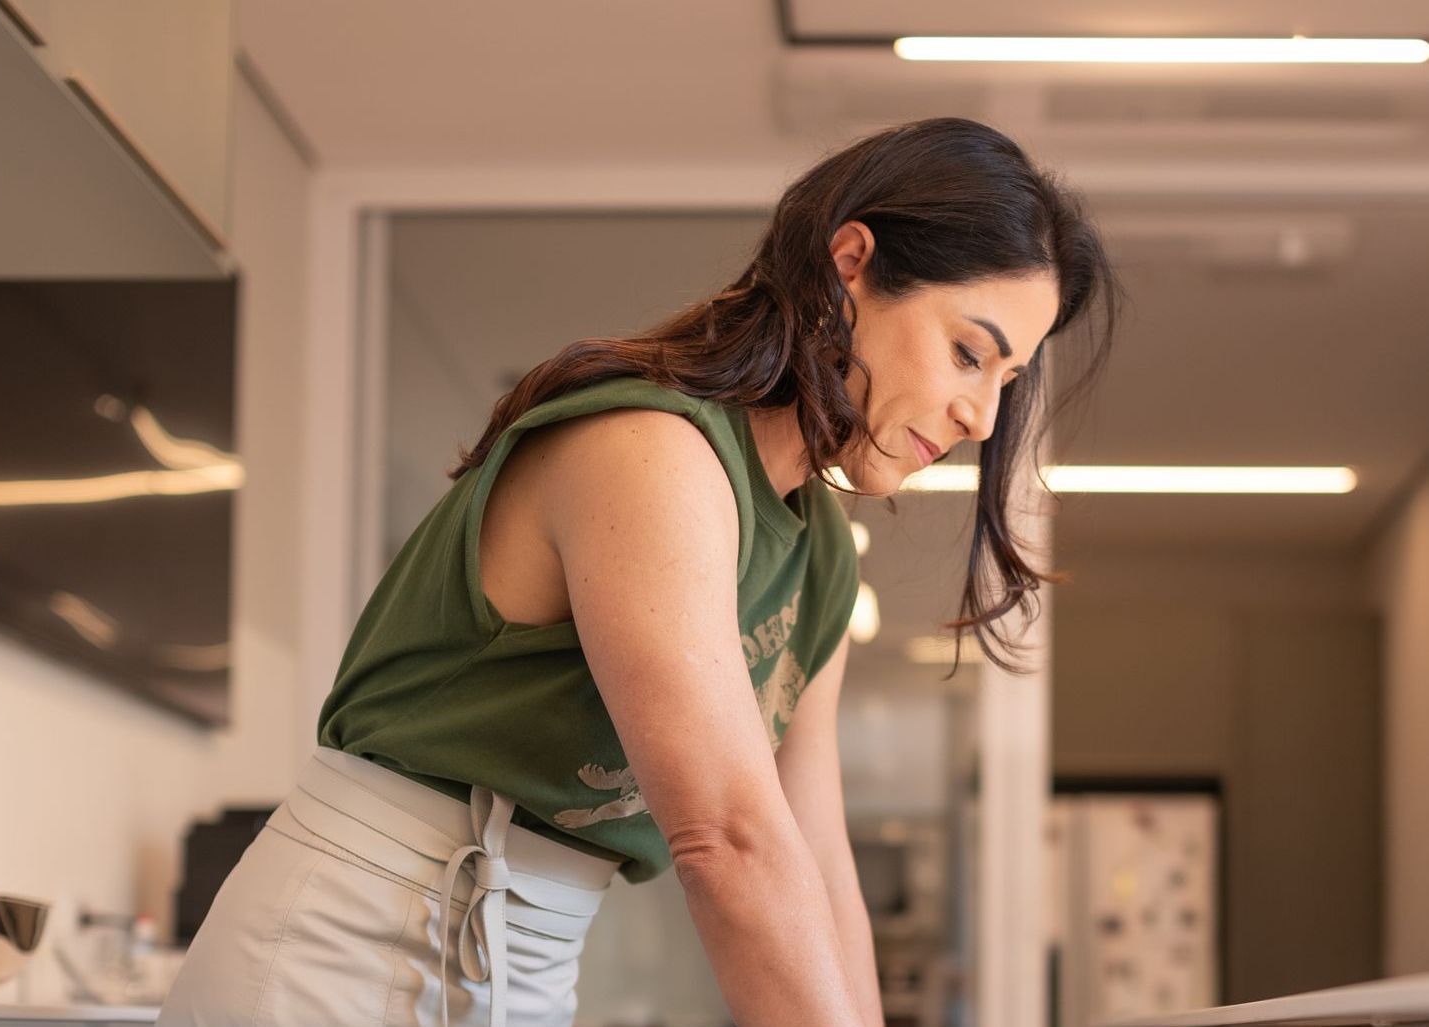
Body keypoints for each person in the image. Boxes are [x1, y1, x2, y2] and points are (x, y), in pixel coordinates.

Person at [155, 116, 1121, 1027]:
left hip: (531, 958)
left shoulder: (818, 548)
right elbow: (727, 838)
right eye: (966, 353)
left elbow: (812, 859)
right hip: (342, 946)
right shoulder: (649, 448)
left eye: (1005, 381)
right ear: (851, 264)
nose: (982, 420)